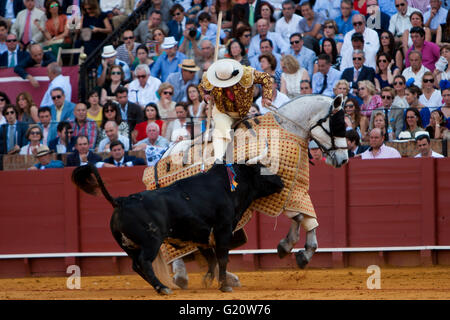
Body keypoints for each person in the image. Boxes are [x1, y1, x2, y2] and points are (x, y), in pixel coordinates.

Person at [199, 58, 273, 162]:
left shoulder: (247, 73)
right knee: (221, 127)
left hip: (244, 113)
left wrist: (266, 97)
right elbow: (202, 87)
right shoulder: (208, 77)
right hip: (223, 112)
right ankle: (219, 159)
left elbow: (266, 78)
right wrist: (206, 96)